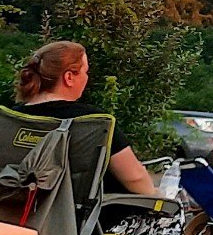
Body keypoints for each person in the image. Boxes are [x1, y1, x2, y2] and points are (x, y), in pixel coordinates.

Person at [15, 41, 158, 195]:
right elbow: (135, 178)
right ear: (69, 77)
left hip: (11, 210)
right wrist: (157, 196)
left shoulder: (10, 117)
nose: (87, 78)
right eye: (85, 72)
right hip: (75, 216)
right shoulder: (92, 121)